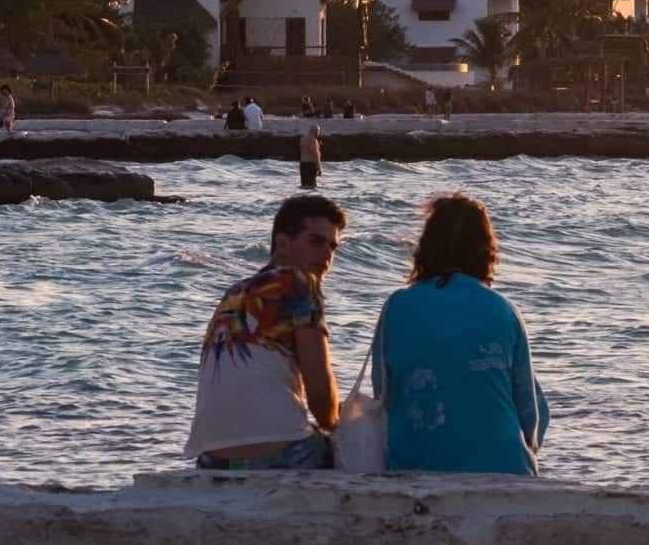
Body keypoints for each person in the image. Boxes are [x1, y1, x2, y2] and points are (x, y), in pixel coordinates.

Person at [371, 194, 550, 474]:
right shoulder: (502, 309)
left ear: (425, 248)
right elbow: (530, 412)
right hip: (503, 467)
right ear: (486, 251)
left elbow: (382, 392)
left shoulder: (397, 306)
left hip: (415, 464)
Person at [181, 194, 345, 470]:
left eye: (333, 246)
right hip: (283, 453)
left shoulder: (234, 294)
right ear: (282, 243)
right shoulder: (301, 284)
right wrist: (343, 427)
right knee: (363, 451)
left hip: (212, 459)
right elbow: (319, 396)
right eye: (316, 242)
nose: (327, 254)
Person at [299, 124, 323, 189]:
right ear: (316, 131)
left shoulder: (303, 138)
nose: (318, 134)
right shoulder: (313, 139)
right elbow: (314, 153)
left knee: (304, 186)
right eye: (318, 132)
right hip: (311, 164)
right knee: (312, 187)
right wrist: (319, 167)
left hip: (303, 164)